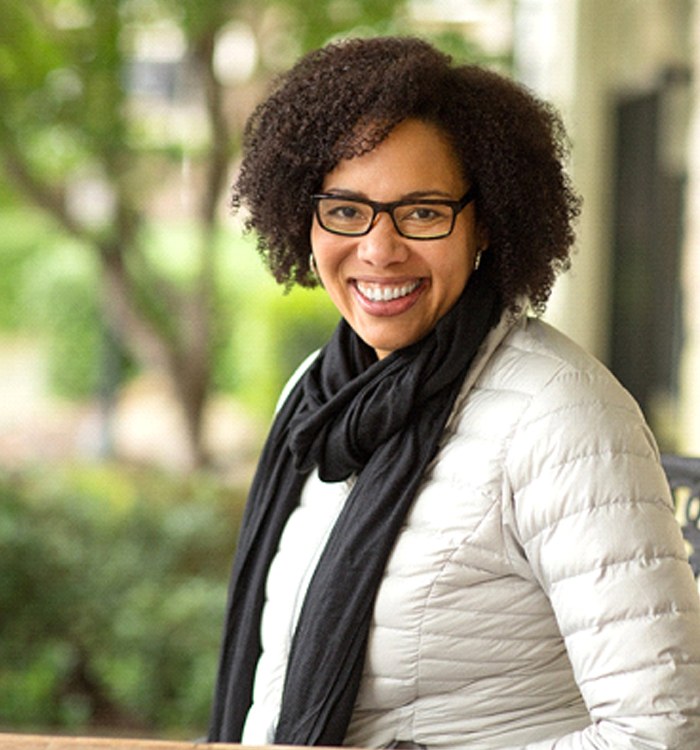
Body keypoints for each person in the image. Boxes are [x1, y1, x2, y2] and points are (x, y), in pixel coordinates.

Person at [208, 36, 700, 749]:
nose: (379, 249)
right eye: (346, 210)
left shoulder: (558, 416)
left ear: (488, 224)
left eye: (424, 212)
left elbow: (665, 731)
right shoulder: (314, 394)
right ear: (303, 217)